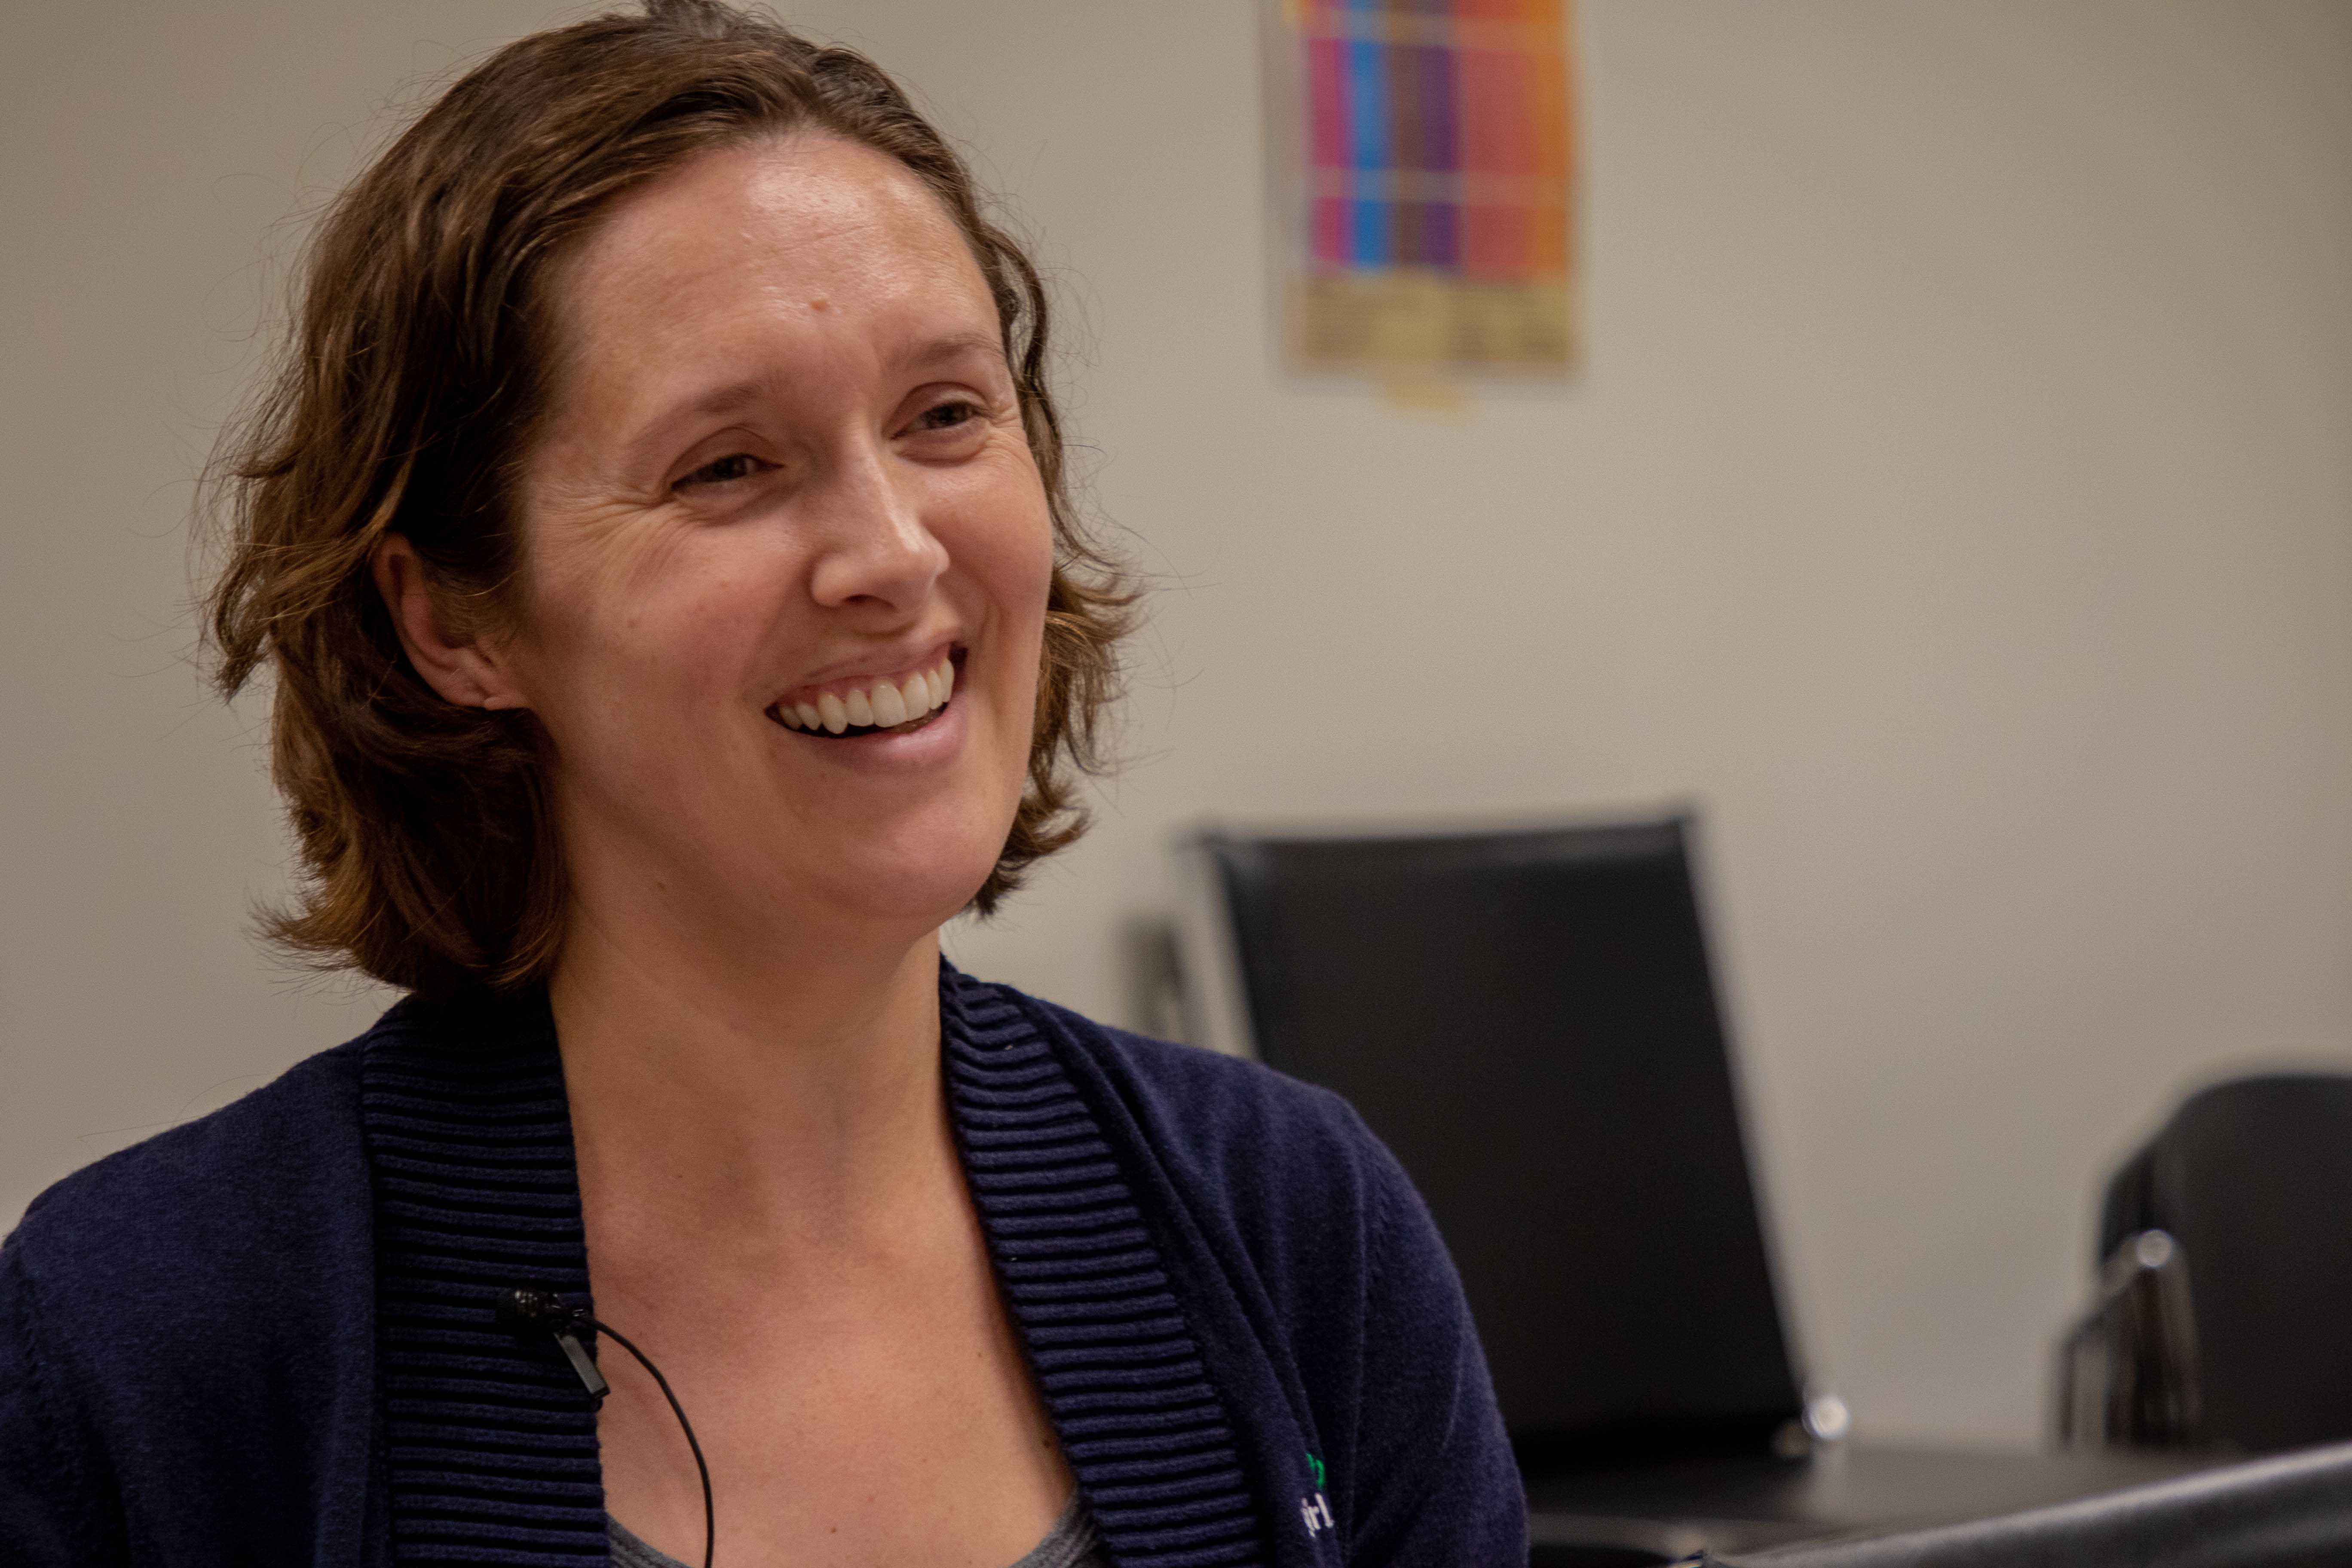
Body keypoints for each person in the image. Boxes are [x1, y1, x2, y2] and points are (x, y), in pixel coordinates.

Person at [0, 3, 1524, 1564]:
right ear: (454, 618)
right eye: (727, 465)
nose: (896, 554)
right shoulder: (142, 1346)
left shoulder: (1296, 1226)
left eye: (944, 415)